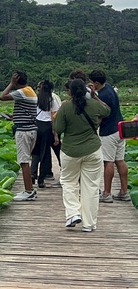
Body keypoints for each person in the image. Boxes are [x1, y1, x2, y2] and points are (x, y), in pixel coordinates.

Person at [53, 79, 110, 231]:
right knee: (91, 187)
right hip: (93, 150)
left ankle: (73, 213)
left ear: (70, 92)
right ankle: (89, 224)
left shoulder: (65, 107)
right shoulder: (94, 105)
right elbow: (107, 110)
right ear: (85, 91)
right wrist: (95, 96)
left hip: (70, 151)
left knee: (68, 182)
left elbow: (58, 127)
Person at [89, 70, 130, 202]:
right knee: (120, 160)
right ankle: (124, 192)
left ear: (96, 83)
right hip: (120, 129)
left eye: (91, 82)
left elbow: (101, 116)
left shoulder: (103, 95)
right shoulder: (109, 87)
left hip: (109, 131)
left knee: (108, 162)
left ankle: (107, 193)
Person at [0, 71, 38, 201]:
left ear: (16, 80)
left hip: (24, 131)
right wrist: (14, 117)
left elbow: (2, 97)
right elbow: (29, 112)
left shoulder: (22, 92)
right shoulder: (30, 90)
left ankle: (28, 191)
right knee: (26, 159)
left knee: (23, 161)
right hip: (31, 128)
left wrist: (11, 83)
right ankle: (29, 189)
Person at [31, 80, 59, 188]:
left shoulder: (35, 100)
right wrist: (55, 135)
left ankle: (32, 173)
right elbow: (53, 119)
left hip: (36, 126)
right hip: (47, 127)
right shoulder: (52, 102)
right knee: (45, 154)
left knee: (36, 152)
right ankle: (41, 180)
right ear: (51, 90)